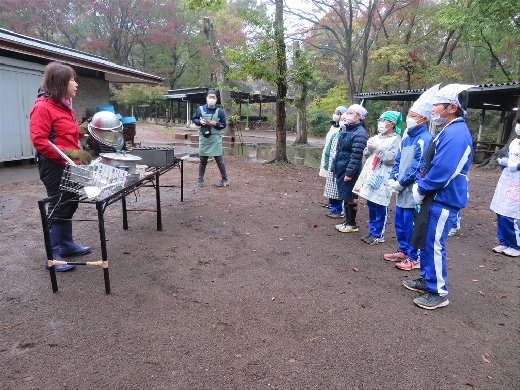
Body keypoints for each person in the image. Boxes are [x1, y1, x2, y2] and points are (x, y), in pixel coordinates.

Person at [404, 83, 475, 310]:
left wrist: (422, 187)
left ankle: (438, 291)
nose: (433, 109)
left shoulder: (456, 133)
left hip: (443, 198)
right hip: (434, 197)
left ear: (452, 107)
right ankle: (427, 279)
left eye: (436, 105)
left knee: (434, 244)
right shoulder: (448, 130)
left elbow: (444, 170)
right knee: (426, 240)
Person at [30, 61, 93, 272]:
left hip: (68, 164)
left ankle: (66, 245)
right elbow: (40, 140)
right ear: (60, 83)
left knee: (70, 201)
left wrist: (83, 130)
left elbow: (66, 134)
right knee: (58, 204)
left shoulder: (64, 106)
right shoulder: (42, 107)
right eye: (72, 80)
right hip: (53, 165)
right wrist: (70, 153)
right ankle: (52, 255)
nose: (76, 84)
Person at [384, 84, 439, 270]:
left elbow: (419, 166)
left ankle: (413, 256)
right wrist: (393, 178)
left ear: (423, 119)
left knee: (411, 223)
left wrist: (402, 182)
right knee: (399, 221)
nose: (409, 118)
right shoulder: (407, 138)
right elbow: (398, 161)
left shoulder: (425, 138)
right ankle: (403, 250)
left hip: (414, 190)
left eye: (413, 116)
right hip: (401, 189)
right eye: (409, 115)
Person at [353, 111, 402, 244]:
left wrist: (377, 148)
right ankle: (371, 230)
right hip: (372, 173)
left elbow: (391, 158)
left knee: (380, 204)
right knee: (371, 202)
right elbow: (367, 154)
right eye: (380, 119)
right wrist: (369, 148)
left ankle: (378, 234)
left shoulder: (396, 140)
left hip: (384, 175)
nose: (380, 122)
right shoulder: (377, 137)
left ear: (392, 123)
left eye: (384, 120)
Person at [332, 104, 369, 233]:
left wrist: (349, 173)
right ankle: (347, 221)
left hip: (349, 169)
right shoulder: (346, 130)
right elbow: (338, 150)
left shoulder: (360, 133)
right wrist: (334, 167)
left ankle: (351, 223)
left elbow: (356, 156)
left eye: (351, 113)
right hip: (341, 167)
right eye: (347, 113)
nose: (347, 116)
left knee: (350, 196)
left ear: (359, 116)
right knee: (346, 195)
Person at [489, 118, 520, 257]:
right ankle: (504, 242)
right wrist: (504, 162)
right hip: (507, 180)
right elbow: (508, 158)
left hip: (517, 182)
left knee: (510, 215)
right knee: (500, 212)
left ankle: (516, 245)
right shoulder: (514, 142)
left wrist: (517, 166)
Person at [191, 89, 228, 187]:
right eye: (210, 97)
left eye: (213, 97)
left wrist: (215, 124)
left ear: (216, 99)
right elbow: (194, 118)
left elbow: (223, 125)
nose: (211, 99)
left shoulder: (219, 111)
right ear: (206, 98)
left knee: (219, 161)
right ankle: (200, 180)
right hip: (204, 138)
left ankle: (225, 179)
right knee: (203, 161)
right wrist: (200, 122)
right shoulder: (200, 109)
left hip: (215, 139)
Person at [320, 106, 347, 218]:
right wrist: (327, 163)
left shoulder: (347, 135)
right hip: (332, 164)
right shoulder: (335, 131)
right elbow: (328, 149)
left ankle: (339, 210)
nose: (336, 115)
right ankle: (333, 207)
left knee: (338, 189)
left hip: (341, 166)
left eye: (338, 114)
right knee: (331, 186)